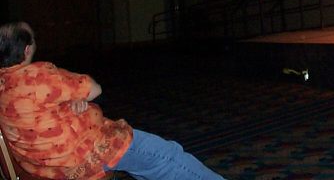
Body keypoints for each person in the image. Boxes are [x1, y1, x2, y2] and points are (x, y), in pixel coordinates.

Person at [0, 22, 225, 180]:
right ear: (27, 49)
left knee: (145, 166)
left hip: (46, 168)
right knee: (167, 156)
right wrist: (77, 97)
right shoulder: (38, 75)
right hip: (86, 153)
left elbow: (34, 110)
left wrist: (70, 103)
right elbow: (93, 89)